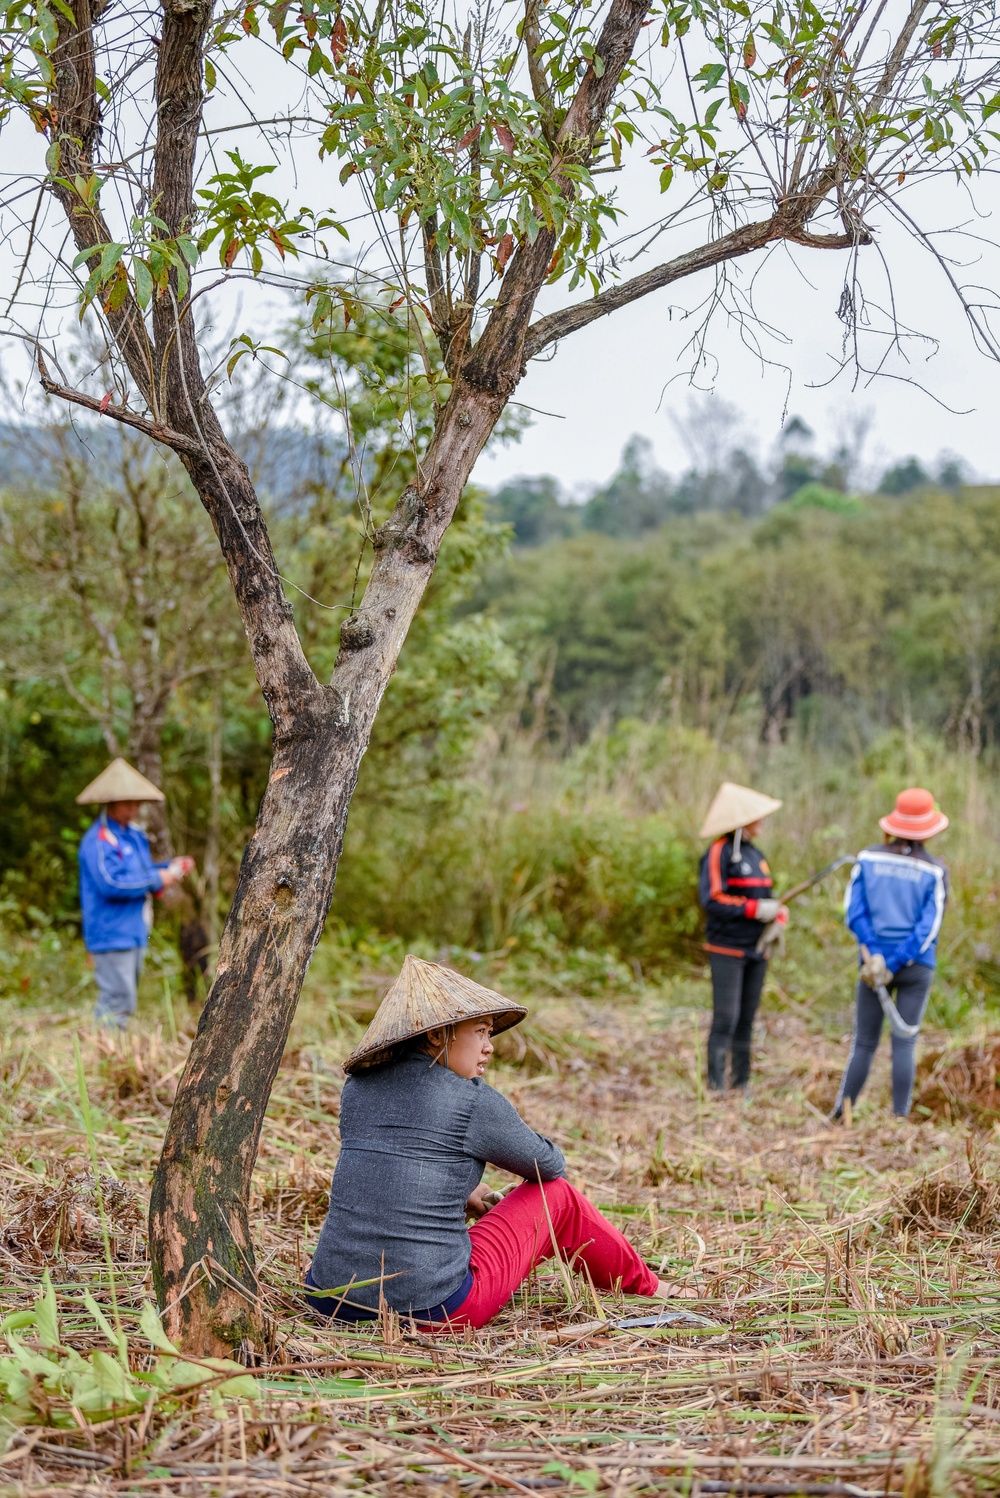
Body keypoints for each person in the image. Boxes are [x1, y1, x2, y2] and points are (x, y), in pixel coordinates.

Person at [305, 955, 690, 1328]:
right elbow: (549, 1165)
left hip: (330, 1298)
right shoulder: (470, 1099)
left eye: (489, 1033)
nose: (489, 1046)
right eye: (480, 1032)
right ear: (438, 1034)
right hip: (432, 1310)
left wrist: (468, 1190)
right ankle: (650, 1287)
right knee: (558, 1196)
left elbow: (395, 1169)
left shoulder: (357, 1089)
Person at [833, 787, 949, 1120]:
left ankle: (842, 1112)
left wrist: (879, 958)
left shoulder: (867, 858)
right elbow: (928, 928)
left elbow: (854, 912)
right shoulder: (935, 870)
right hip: (915, 967)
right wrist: (898, 960)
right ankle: (899, 1119)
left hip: (872, 964)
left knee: (865, 1042)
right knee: (904, 1042)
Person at [76, 758, 195, 1029]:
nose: (134, 809)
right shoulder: (98, 840)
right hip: (110, 933)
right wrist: (157, 878)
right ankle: (104, 1060)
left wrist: (169, 868)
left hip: (134, 930)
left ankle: (115, 1056)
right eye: (127, 803)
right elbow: (111, 884)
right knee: (117, 1001)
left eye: (136, 803)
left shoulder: (133, 836)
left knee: (126, 1000)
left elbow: (141, 871)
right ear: (111, 803)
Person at [698, 781, 787, 1094]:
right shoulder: (719, 852)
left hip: (756, 948)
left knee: (747, 1018)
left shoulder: (755, 854)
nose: (762, 821)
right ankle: (716, 1085)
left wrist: (776, 914)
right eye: (756, 816)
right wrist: (754, 909)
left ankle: (742, 1083)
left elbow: (764, 896)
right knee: (726, 1017)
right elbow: (712, 899)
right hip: (727, 947)